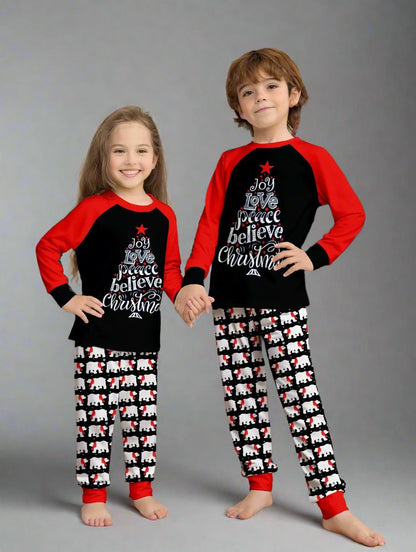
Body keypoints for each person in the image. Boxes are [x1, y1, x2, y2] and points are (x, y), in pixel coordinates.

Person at [175, 49, 385, 547]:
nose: (260, 96)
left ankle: (333, 507)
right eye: (248, 92)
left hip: (282, 298)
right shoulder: (230, 162)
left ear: (293, 96)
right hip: (227, 296)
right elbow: (210, 224)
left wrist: (315, 255)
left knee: (299, 398)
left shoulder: (314, 158)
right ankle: (260, 487)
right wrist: (193, 280)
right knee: (242, 396)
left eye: (270, 86)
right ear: (238, 109)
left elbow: (351, 214)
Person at [36, 105, 182, 527]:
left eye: (140, 151)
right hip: (97, 337)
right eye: (120, 151)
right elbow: (48, 247)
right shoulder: (95, 207)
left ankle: (141, 490)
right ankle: (94, 495)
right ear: (104, 158)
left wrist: (183, 297)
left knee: (141, 420)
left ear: (155, 159)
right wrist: (66, 296)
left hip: (143, 339)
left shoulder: (164, 215)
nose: (131, 160)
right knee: (96, 421)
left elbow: (168, 270)